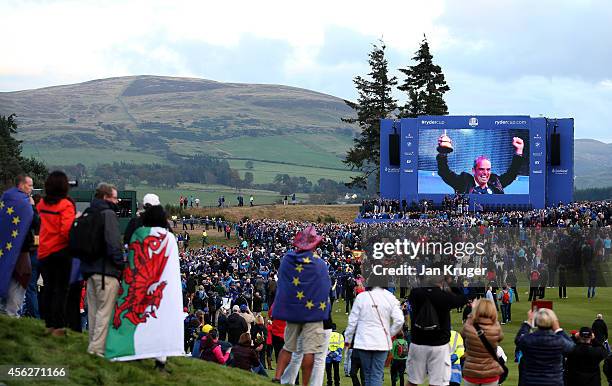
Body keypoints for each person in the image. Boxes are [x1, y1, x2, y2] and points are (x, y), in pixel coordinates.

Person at [272, 226, 331, 386]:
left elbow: (283, 283)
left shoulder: (287, 259)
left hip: (293, 311)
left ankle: (277, 377)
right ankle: (305, 384)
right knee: (309, 351)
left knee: (288, 346)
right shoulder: (319, 264)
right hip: (313, 314)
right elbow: (326, 287)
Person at [79, 183, 123, 356]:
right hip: (107, 271)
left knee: (94, 313)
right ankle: (97, 351)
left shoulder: (89, 212)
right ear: (105, 197)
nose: (117, 201)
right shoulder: (108, 214)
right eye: (114, 197)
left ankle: (93, 345)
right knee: (104, 313)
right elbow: (113, 244)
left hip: (90, 270)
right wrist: (121, 265)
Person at [407, 277, 468, 386]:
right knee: (437, 382)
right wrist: (452, 284)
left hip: (418, 342)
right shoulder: (444, 296)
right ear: (441, 282)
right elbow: (462, 299)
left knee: (412, 381)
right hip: (439, 345)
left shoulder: (415, 293)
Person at [36, 171, 76, 336]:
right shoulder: (66, 205)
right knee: (61, 290)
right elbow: (66, 231)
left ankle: (48, 323)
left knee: (48, 288)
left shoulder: (42, 205)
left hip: (44, 251)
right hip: (61, 251)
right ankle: (58, 326)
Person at [344, 286, 404, 386]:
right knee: (376, 374)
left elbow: (352, 321)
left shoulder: (361, 297)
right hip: (381, 342)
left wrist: (348, 339)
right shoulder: (389, 297)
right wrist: (389, 334)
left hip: (364, 341)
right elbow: (399, 320)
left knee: (367, 375)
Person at [436, 133, 524, 194]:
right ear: (473, 170)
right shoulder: (463, 182)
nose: (485, 173)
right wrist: (443, 151)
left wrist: (519, 151)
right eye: (481, 169)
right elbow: (444, 172)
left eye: (488, 169)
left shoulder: (495, 182)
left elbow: (512, 173)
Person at [0, 174, 35, 316]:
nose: (31, 188)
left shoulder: (5, 199)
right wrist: (33, 207)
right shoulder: (24, 204)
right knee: (18, 284)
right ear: (21, 185)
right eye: (29, 185)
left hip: (5, 252)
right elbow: (35, 222)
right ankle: (11, 314)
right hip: (20, 254)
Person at [514, 308, 575, 386]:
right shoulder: (558, 341)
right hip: (553, 382)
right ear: (553, 322)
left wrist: (528, 322)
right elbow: (572, 347)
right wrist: (558, 329)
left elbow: (518, 339)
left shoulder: (528, 339)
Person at [461, 299, 504, 386]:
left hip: (471, 371)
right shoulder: (495, 328)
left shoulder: (469, 327)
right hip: (490, 372)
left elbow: (463, 333)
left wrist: (472, 312)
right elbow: (500, 337)